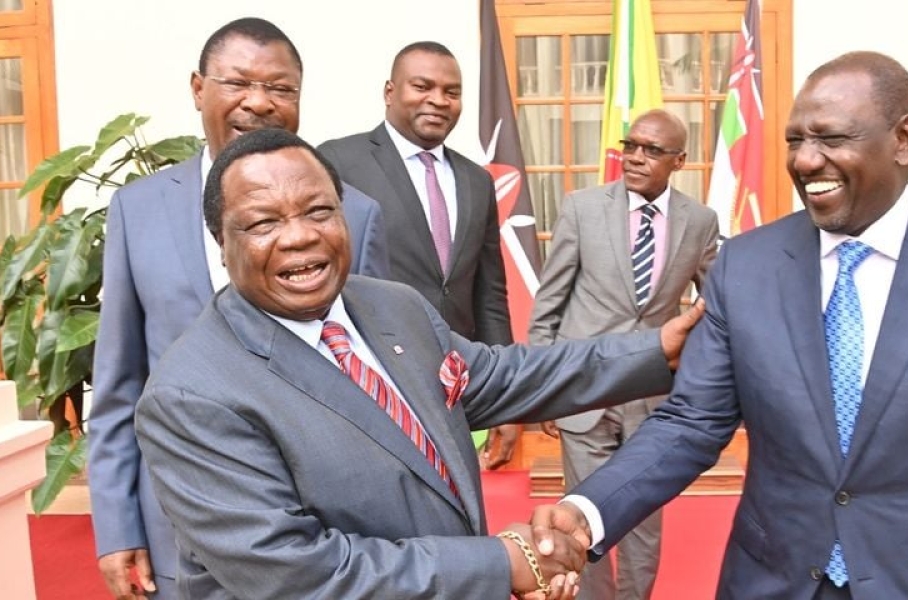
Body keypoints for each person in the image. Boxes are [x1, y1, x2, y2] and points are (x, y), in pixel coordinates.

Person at [531, 51, 908, 599]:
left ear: (903, 139)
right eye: (795, 140)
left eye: (831, 139)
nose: (804, 161)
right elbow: (692, 422)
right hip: (774, 579)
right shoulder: (745, 266)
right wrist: (587, 512)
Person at [133, 127, 701, 599]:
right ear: (221, 240)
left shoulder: (393, 306)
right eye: (264, 223)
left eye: (319, 211)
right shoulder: (191, 396)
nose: (300, 237)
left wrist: (657, 350)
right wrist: (500, 565)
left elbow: (505, 378)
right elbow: (296, 574)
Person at [86, 17, 392, 600]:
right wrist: (117, 525)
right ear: (198, 89)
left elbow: (374, 375)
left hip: (325, 534)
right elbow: (119, 384)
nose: (259, 102)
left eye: (280, 88)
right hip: (180, 522)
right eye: (238, 83)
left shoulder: (352, 213)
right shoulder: (138, 210)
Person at [527, 109, 719, 600]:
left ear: (679, 161)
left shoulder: (700, 222)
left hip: (652, 396)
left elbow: (717, 305)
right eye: (629, 145)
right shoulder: (582, 207)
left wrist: (700, 374)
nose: (634, 157)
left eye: (652, 150)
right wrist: (543, 388)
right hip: (583, 390)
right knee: (582, 519)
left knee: (642, 523)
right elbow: (549, 304)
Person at [318, 40, 520, 468]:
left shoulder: (476, 180)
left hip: (455, 388)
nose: (439, 100)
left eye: (451, 92)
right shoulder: (338, 161)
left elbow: (489, 294)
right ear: (390, 92)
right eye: (423, 87)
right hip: (370, 383)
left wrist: (506, 394)